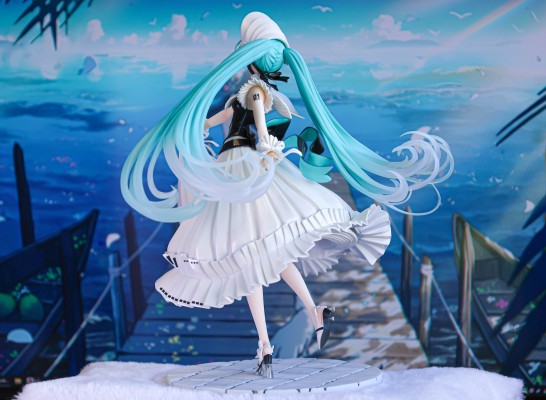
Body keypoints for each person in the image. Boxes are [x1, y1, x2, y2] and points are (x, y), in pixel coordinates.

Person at [120, 12, 454, 379]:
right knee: (262, 255)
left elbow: (263, 132)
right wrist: (187, 128)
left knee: (253, 254)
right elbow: (211, 123)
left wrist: (268, 149)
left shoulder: (255, 92)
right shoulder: (242, 96)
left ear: (250, 59)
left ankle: (270, 341)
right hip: (237, 168)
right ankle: (300, 321)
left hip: (243, 169)